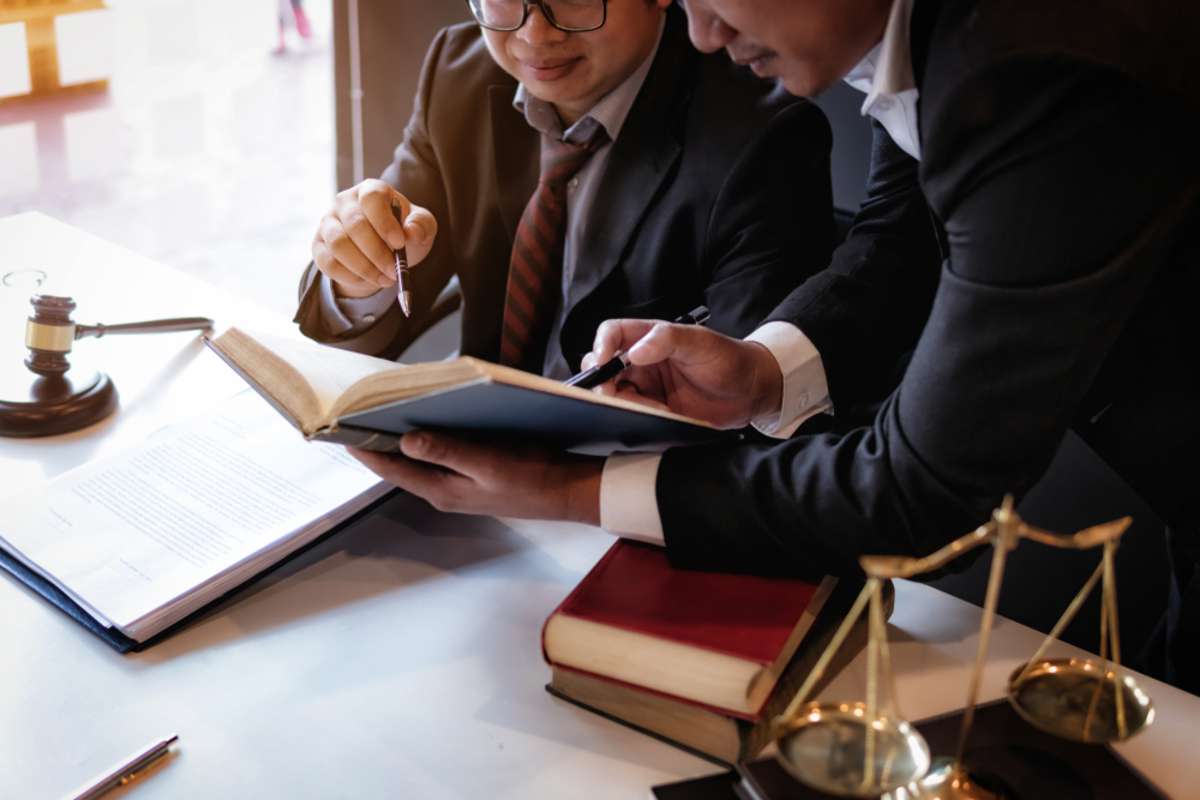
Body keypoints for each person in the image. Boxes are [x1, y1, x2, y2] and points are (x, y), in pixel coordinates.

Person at [348, 0, 1199, 692]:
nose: (704, 31)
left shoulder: (1029, 64)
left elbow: (920, 487)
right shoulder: (938, 42)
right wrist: (765, 369)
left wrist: (570, 489)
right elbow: (904, 237)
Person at [295, 0, 834, 378]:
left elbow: (750, 401)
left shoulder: (763, 138)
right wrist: (359, 271)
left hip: (619, 480)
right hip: (470, 457)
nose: (535, 34)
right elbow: (354, 324)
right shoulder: (458, 72)